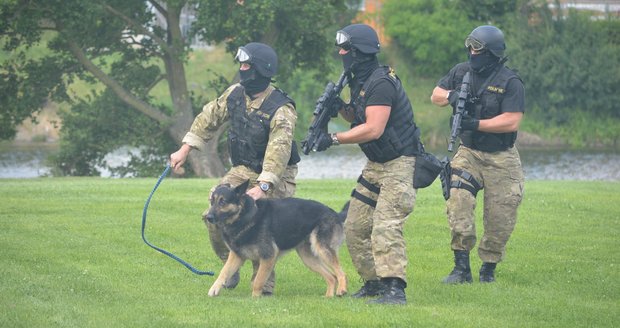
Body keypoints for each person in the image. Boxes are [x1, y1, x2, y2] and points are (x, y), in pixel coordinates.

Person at [170, 42, 300, 295]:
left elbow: (279, 151)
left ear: (261, 69)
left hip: (276, 175)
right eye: (240, 64)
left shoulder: (281, 108)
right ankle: (229, 267)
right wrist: (184, 150)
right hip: (242, 169)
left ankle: (263, 288)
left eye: (246, 65)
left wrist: (263, 186)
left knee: (261, 225)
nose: (242, 69)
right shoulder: (235, 94)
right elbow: (207, 118)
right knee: (213, 216)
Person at [313, 24, 420, 305]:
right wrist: (338, 107)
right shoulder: (358, 79)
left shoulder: (381, 82)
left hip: (399, 164)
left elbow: (373, 128)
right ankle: (373, 284)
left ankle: (394, 289)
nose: (341, 53)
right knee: (355, 225)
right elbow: (358, 117)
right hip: (376, 164)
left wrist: (333, 138)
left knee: (386, 225)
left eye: (345, 48)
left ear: (359, 51)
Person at [430, 25, 525, 284]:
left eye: (477, 49)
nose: (472, 53)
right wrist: (451, 96)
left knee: (500, 217)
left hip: (501, 157)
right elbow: (435, 95)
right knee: (458, 199)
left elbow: (512, 121)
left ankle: (488, 271)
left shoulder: (510, 81)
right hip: (469, 151)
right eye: (470, 48)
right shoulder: (461, 71)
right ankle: (461, 269)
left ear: (491, 52)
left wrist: (477, 124)